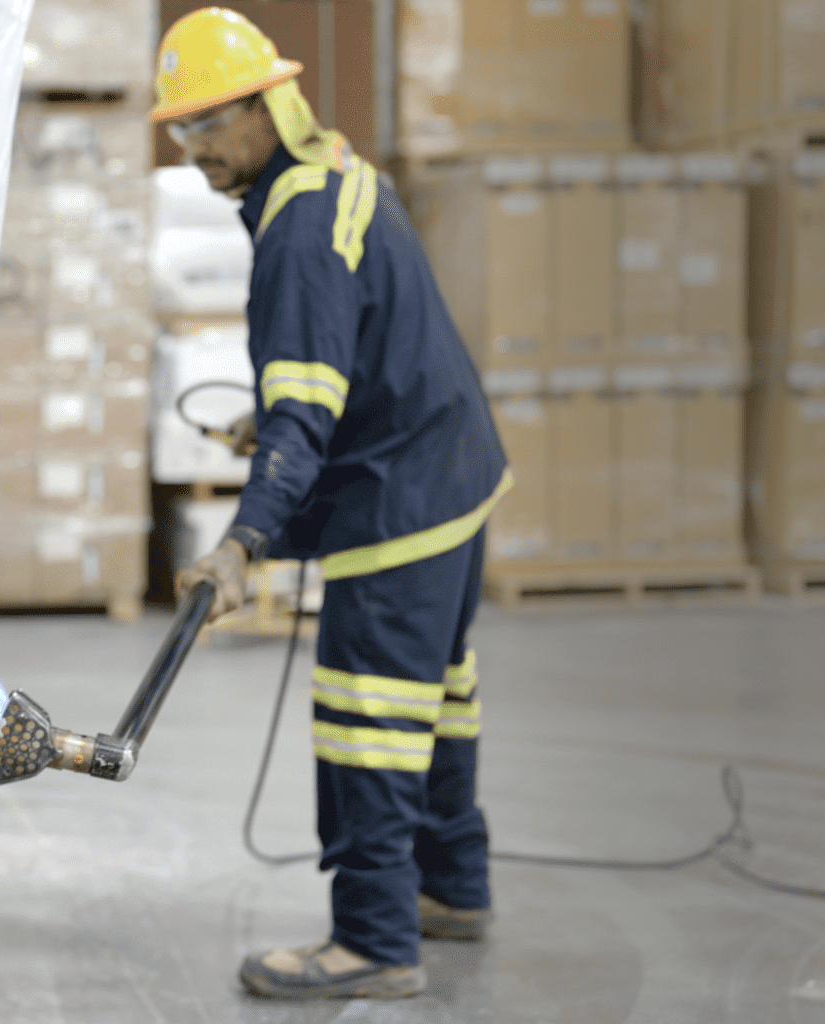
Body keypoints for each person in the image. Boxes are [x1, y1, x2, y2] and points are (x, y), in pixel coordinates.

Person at [154, 8, 513, 1002]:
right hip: (452, 470)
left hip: (399, 501)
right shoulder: (339, 173)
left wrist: (240, 544)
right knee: (436, 697)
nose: (193, 150)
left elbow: (305, 409)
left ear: (265, 107)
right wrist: (273, 422)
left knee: (369, 718)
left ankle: (373, 938)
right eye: (180, 130)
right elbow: (353, 351)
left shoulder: (300, 230)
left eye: (206, 124)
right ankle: (453, 886)